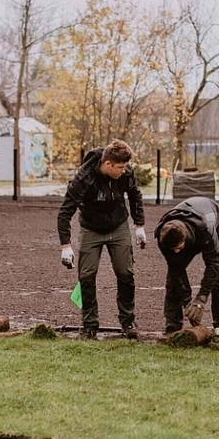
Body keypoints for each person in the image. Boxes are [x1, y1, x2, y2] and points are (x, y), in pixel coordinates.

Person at [58, 140, 146, 340]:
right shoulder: (84, 179)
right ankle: (89, 324)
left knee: (125, 272)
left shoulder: (127, 173)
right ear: (108, 164)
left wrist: (139, 226)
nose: (124, 171)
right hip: (91, 228)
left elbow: (135, 196)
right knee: (87, 275)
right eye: (120, 167)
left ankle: (128, 321)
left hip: (119, 225)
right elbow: (65, 211)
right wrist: (66, 245)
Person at [155, 196, 219, 333]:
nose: (176, 252)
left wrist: (200, 300)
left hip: (217, 222)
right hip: (192, 230)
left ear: (185, 238)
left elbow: (213, 264)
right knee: (173, 278)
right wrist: (188, 303)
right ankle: (172, 326)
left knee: (217, 277)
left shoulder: (206, 229)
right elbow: (176, 270)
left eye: (178, 248)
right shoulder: (163, 237)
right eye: (172, 250)